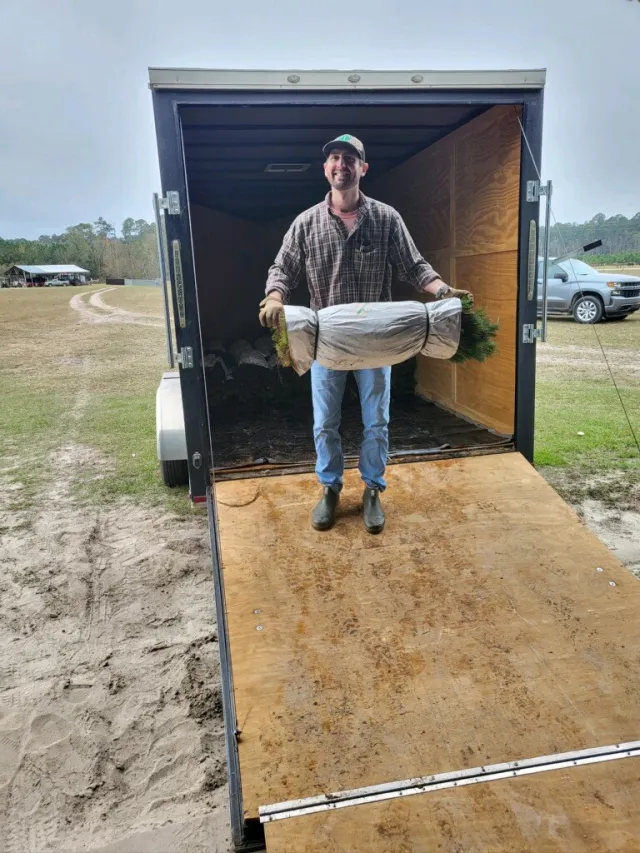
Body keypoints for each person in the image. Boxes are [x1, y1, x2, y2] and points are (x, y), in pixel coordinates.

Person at [259, 134, 472, 534]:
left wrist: (443, 291)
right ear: (325, 169)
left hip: (377, 340)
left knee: (376, 421)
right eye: (334, 159)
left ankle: (373, 489)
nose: (341, 164)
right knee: (325, 422)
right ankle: (330, 489)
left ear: (363, 168)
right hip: (327, 341)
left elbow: (414, 265)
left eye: (349, 159)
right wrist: (273, 298)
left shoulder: (386, 218)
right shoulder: (306, 223)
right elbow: (282, 268)